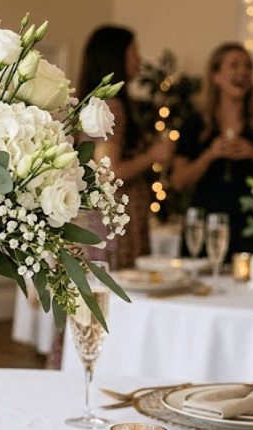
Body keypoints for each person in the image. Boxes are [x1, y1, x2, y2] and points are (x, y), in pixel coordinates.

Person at [170, 42, 253, 258]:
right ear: (215, 76)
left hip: (251, 224)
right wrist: (210, 155)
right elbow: (179, 181)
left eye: (248, 66)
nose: (243, 72)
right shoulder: (195, 122)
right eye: (234, 66)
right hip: (205, 223)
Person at [77, 25, 175, 270]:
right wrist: (154, 155)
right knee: (120, 291)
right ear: (116, 56)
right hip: (116, 220)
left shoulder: (93, 103)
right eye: (135, 52)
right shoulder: (111, 107)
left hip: (102, 217)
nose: (139, 60)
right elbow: (107, 173)